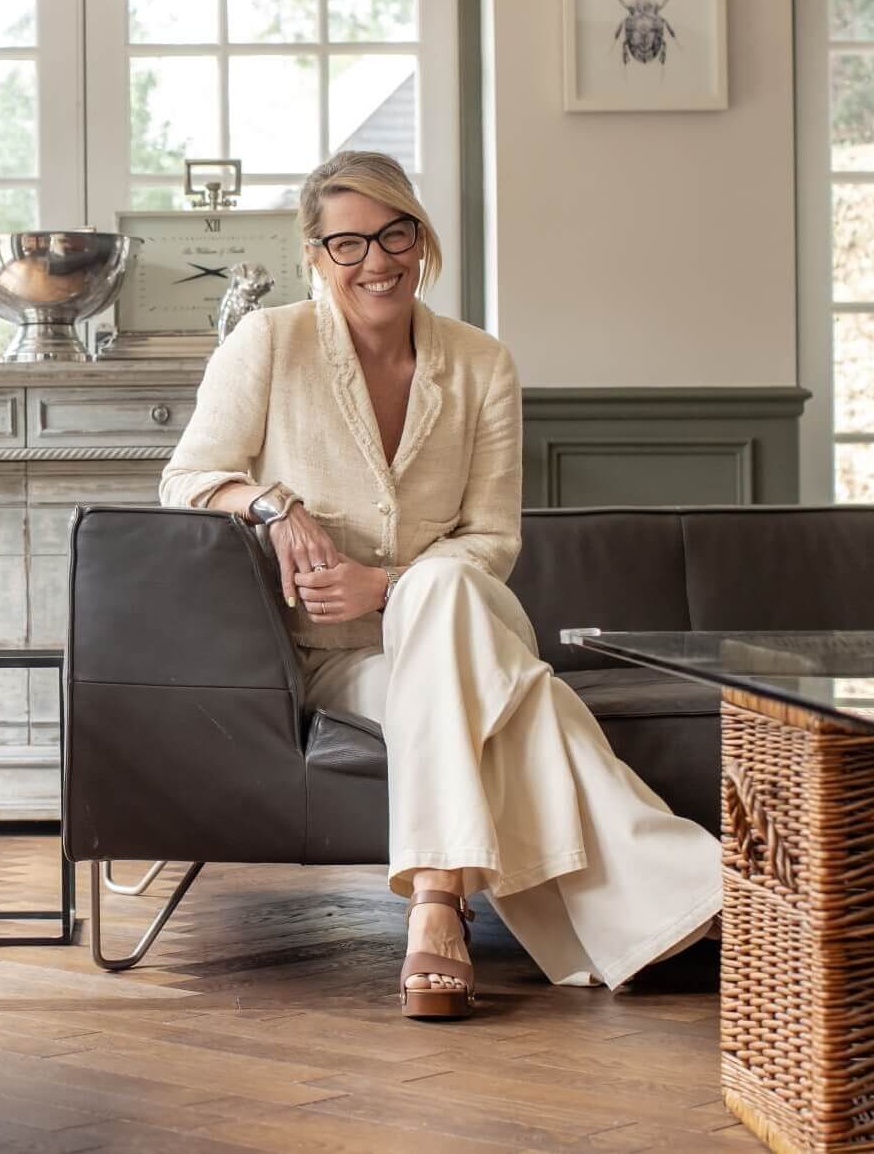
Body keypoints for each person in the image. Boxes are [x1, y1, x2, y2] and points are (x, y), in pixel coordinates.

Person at [159, 150, 720, 1020]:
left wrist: (388, 586)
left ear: (421, 239)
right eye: (346, 243)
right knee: (531, 710)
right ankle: (708, 896)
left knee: (440, 591)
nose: (374, 260)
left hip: (461, 614)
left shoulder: (482, 363)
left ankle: (434, 898)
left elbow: (489, 540)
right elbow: (187, 477)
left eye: (394, 233)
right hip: (339, 655)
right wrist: (273, 505)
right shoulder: (270, 341)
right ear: (314, 254)